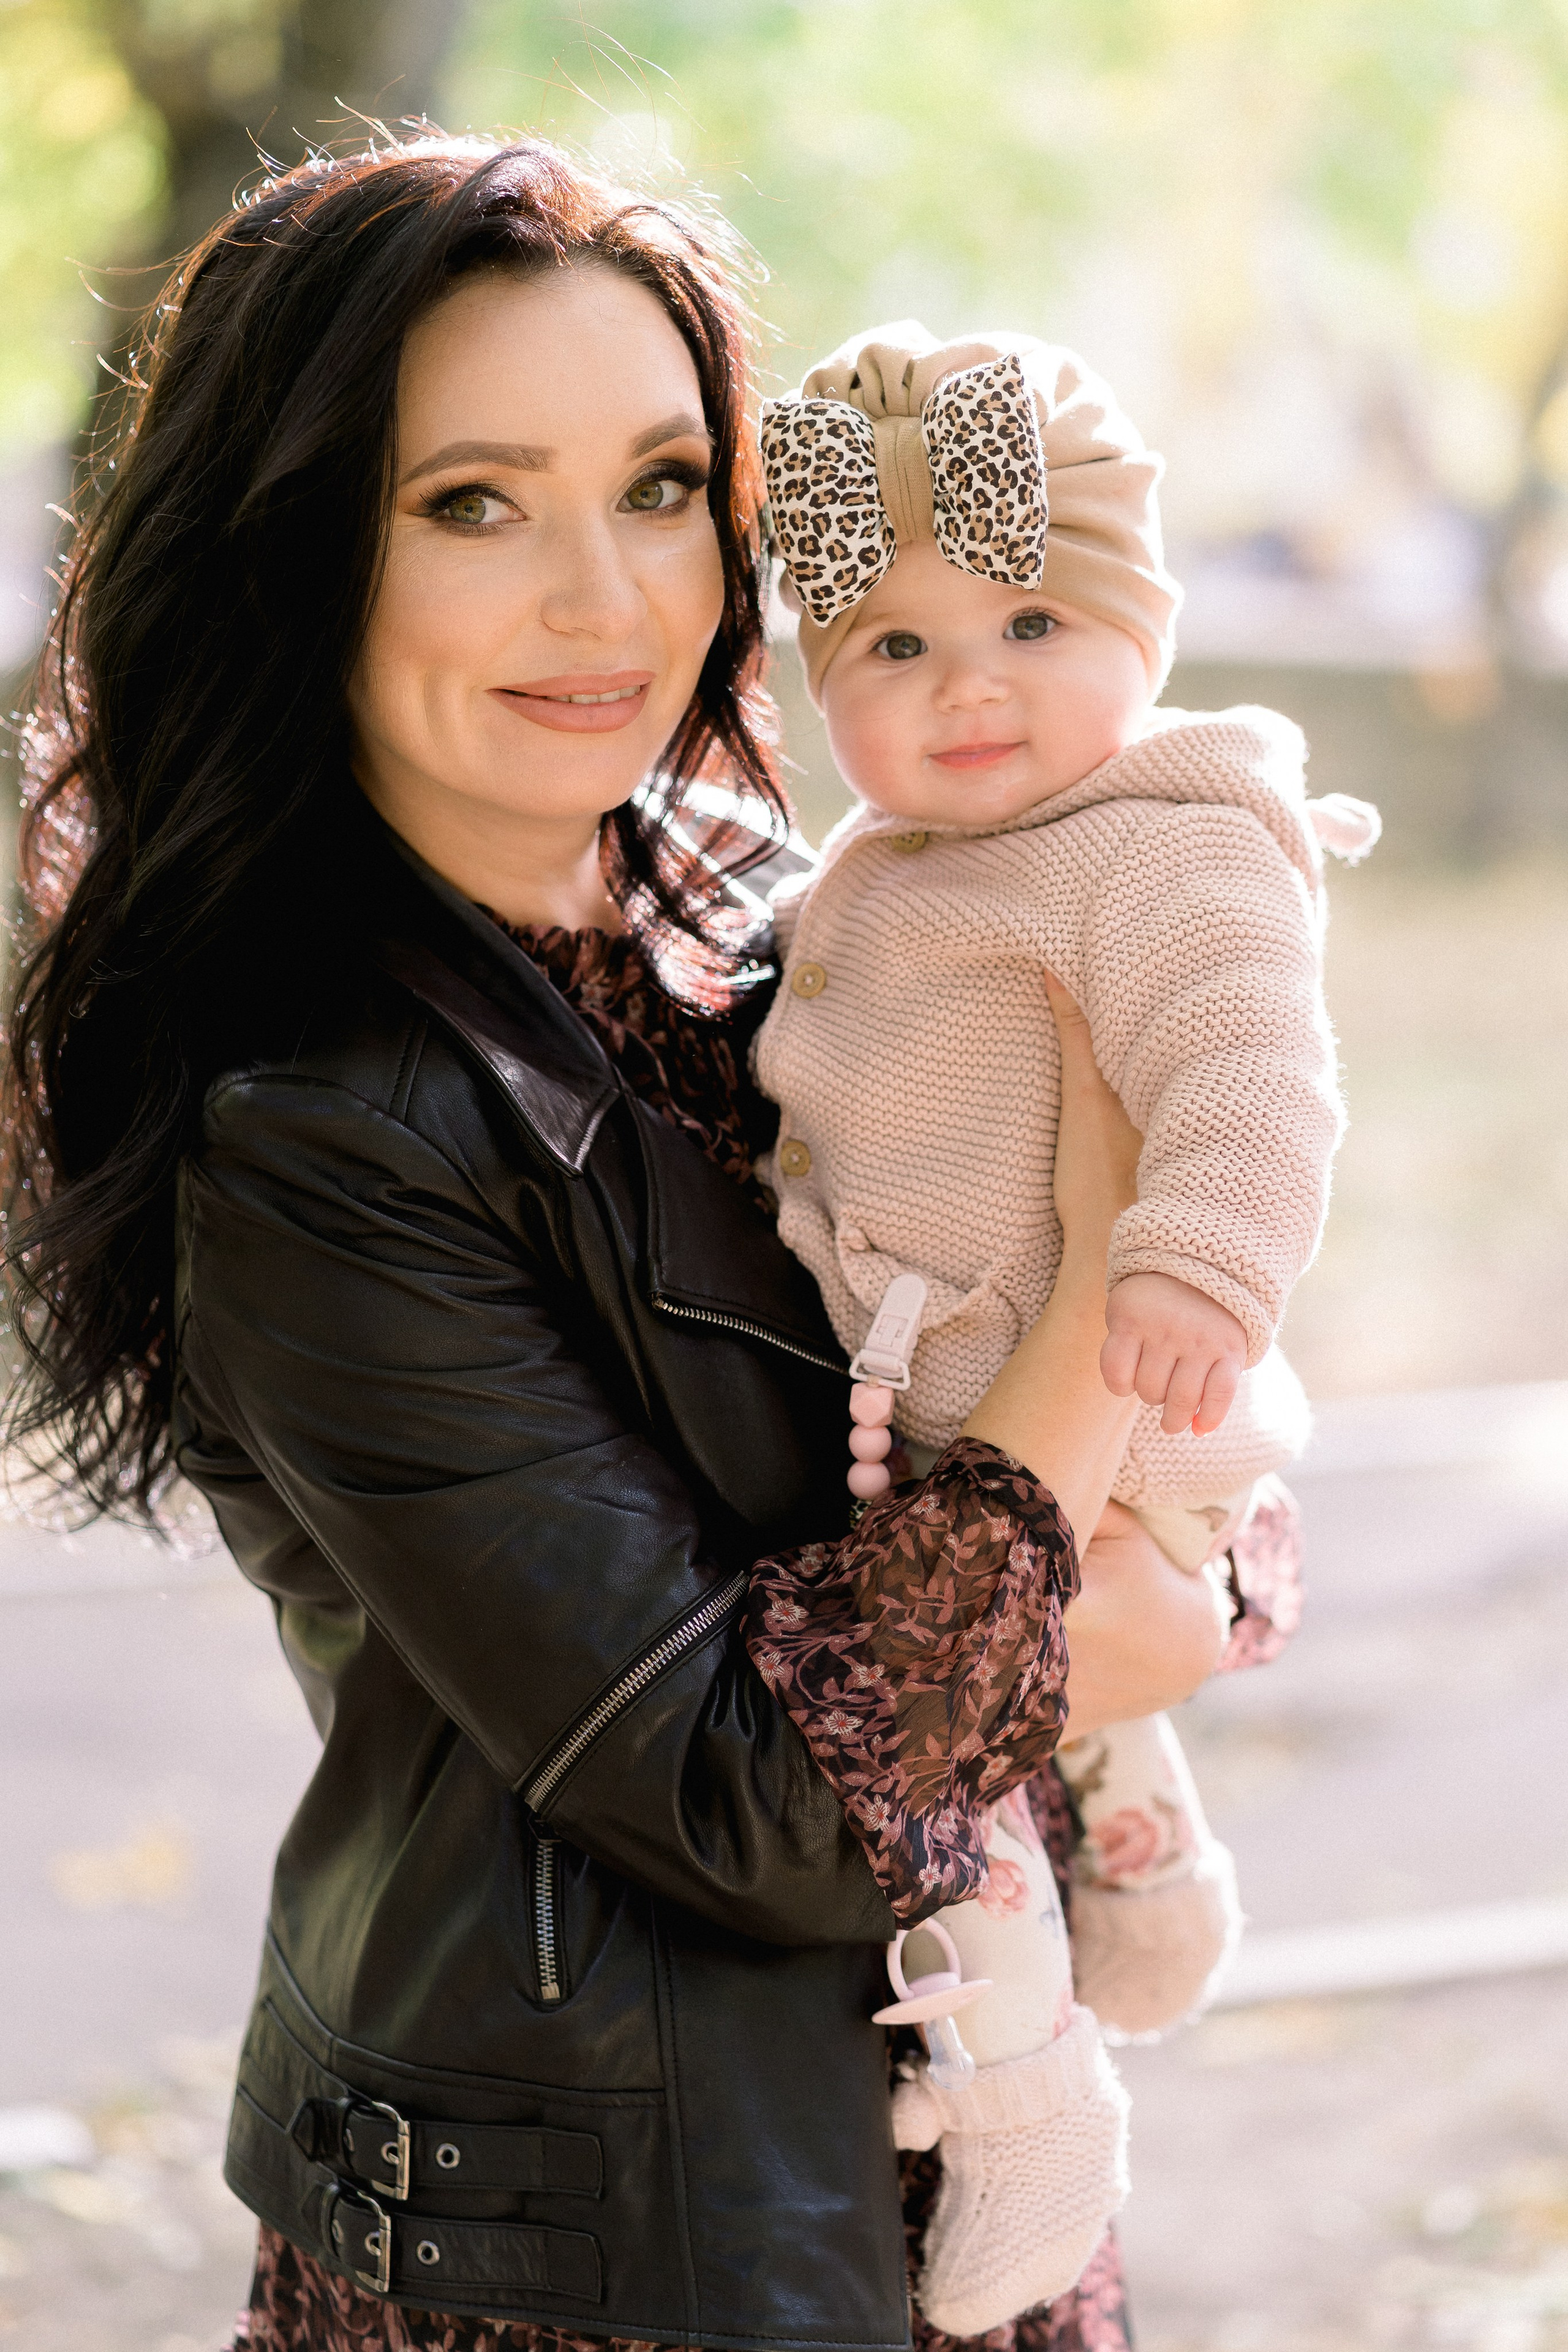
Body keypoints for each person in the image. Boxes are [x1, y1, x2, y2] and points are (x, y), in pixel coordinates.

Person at [0, 136, 1290, 2352]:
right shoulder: (311, 1125)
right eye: (470, 504)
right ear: (296, 551)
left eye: (666, 487)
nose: (605, 601)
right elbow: (757, 1795)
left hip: (948, 2167)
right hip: (604, 2240)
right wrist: (1101, 1307)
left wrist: (1182, 1550)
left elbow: (1202, 1480)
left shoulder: (795, 915)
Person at [750, 323, 1369, 2328]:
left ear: (1147, 626)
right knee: (1038, 1659)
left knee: (933, 1779)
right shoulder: (893, 865)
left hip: (1118, 1394)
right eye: (893, 648)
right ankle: (1147, 1826)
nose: (970, 687)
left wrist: (1190, 1259)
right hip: (980, 1425)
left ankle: (1028, 2103)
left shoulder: (1169, 849)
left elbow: (1251, 1069)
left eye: (1029, 622)